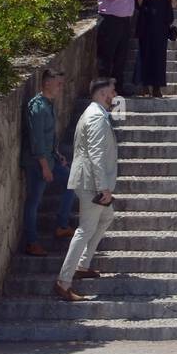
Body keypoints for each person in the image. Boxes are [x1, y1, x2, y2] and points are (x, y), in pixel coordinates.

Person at [55, 79, 120, 303]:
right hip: (91, 184)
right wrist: (103, 187)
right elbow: (96, 155)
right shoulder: (96, 117)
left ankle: (82, 265)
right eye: (112, 91)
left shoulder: (94, 113)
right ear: (103, 94)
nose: (115, 95)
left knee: (107, 217)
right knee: (85, 230)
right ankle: (64, 282)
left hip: (89, 181)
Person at [21, 68, 75, 255]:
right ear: (47, 83)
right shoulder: (38, 107)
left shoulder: (48, 104)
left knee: (71, 180)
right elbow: (37, 141)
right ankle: (32, 242)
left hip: (50, 160)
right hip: (37, 163)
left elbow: (48, 138)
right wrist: (45, 167)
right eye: (58, 83)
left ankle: (62, 225)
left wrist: (58, 155)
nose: (61, 87)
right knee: (34, 201)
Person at [95, 0, 144, 96]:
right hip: (110, 20)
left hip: (124, 21)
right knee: (106, 57)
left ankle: (118, 89)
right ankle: (103, 91)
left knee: (121, 57)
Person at [132, 0, 177, 98]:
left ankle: (157, 87)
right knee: (144, 55)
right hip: (145, 26)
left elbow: (175, 5)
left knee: (159, 57)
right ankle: (144, 86)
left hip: (161, 27)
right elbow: (138, 6)